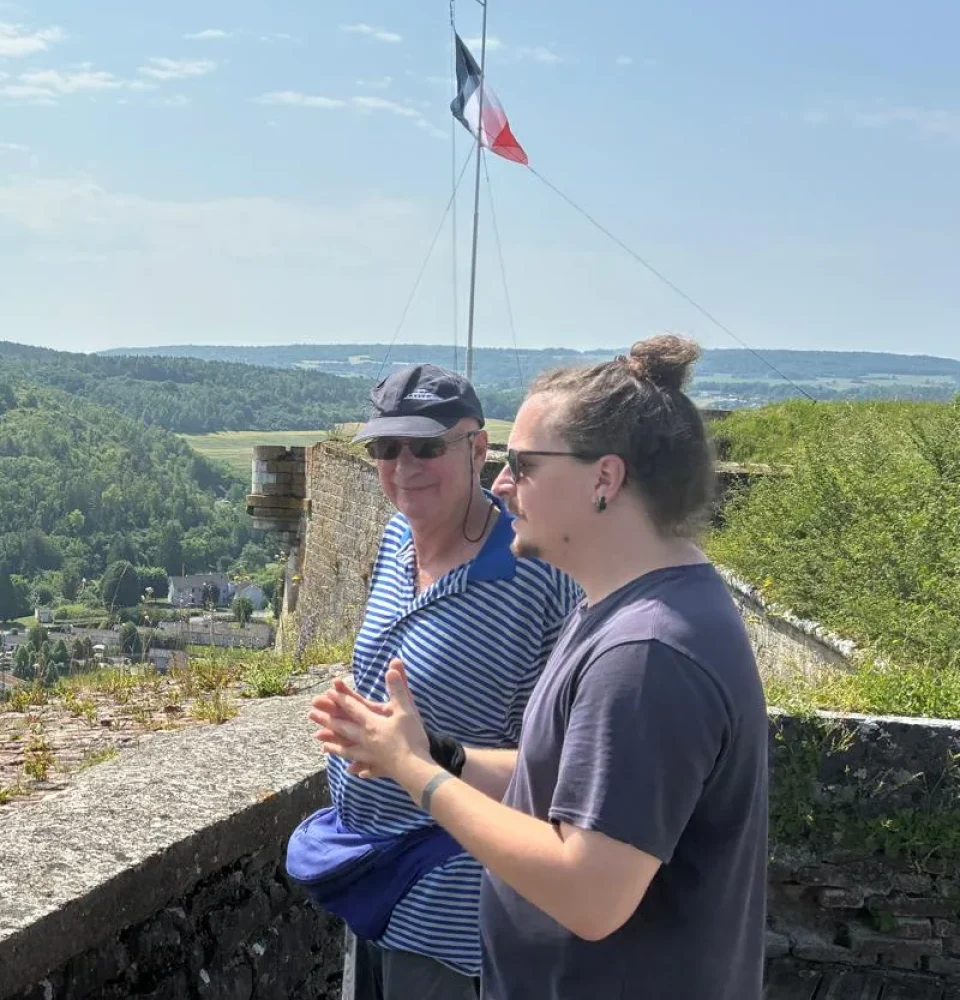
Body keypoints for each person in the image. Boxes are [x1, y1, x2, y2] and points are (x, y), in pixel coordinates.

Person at [307, 336, 768, 1000]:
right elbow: (568, 785)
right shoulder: (628, 609)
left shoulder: (647, 655)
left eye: (522, 465)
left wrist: (415, 775)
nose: (500, 484)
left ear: (604, 479)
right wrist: (439, 754)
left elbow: (589, 893)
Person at [283, 363, 579, 999]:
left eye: (425, 446)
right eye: (386, 448)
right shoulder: (396, 539)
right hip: (374, 882)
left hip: (455, 909)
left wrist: (425, 756)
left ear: (478, 448)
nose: (402, 465)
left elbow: (564, 769)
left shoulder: (538, 578)